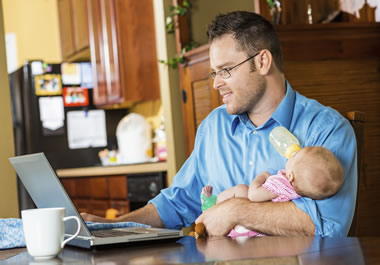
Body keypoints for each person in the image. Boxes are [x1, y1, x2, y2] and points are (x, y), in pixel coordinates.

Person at [82, 11, 357, 237]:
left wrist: (236, 210)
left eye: (226, 70)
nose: (216, 83)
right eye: (215, 72)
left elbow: (327, 225)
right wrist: (111, 226)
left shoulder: (327, 129)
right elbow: (176, 204)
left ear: (262, 61)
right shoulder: (213, 126)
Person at [204, 146, 344, 237]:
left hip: (246, 227)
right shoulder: (297, 192)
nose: (291, 155)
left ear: (291, 176)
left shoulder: (282, 184)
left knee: (242, 189)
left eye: (294, 156)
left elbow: (254, 195)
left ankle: (211, 206)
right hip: (263, 230)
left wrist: (262, 177)